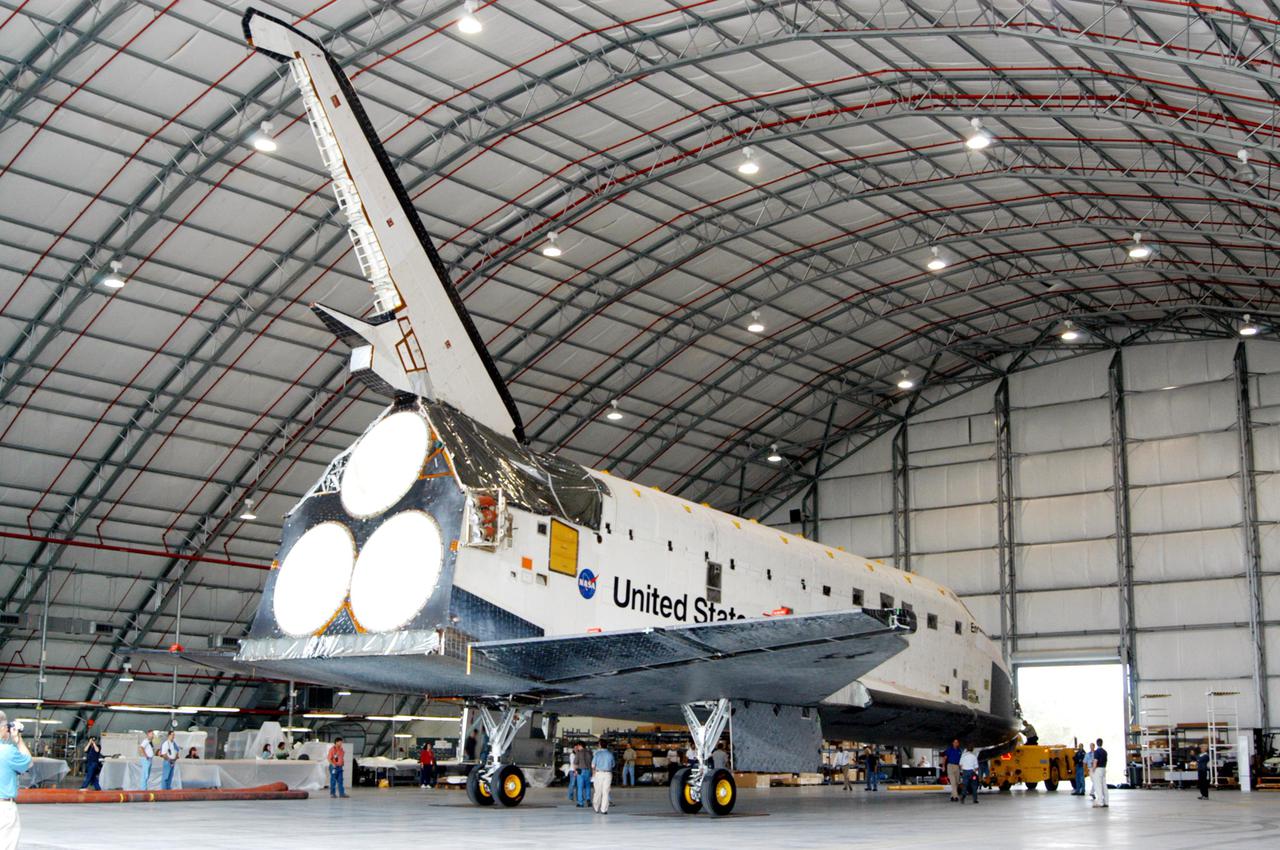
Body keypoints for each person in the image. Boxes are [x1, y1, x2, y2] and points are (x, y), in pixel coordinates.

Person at [0, 713, 33, 849]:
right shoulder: (7, 751)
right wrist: (18, 739)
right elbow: (28, 762)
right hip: (3, 808)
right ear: (2, 728)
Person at [591, 739, 615, 814]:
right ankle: (604, 809)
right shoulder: (610, 754)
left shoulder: (597, 754)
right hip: (608, 774)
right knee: (606, 792)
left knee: (597, 791)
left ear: (600, 745)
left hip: (599, 774)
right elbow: (613, 765)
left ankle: (596, 808)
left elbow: (593, 765)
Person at [570, 742, 591, 807]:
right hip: (588, 771)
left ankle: (580, 803)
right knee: (588, 786)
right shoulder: (590, 752)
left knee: (580, 787)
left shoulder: (578, 753)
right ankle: (588, 800)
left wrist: (575, 771)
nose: (577, 747)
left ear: (580, 745)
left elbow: (575, 763)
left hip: (580, 771)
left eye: (578, 746)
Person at [1091, 738, 1109, 808]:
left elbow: (1095, 761)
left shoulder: (1096, 752)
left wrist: (1093, 769)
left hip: (1098, 769)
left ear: (1096, 744)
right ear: (1102, 743)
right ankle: (1106, 801)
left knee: (1098, 786)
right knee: (1104, 786)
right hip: (1104, 769)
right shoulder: (1105, 752)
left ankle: (1100, 802)